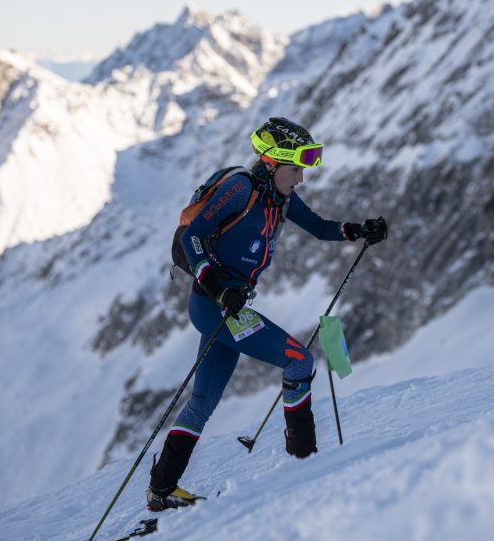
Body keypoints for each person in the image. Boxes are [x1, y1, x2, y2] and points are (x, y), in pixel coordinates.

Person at [146, 117, 388, 512]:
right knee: (299, 360)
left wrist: (360, 230)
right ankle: (305, 464)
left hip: (228, 305)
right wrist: (219, 287)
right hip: (214, 305)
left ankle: (161, 490)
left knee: (203, 403)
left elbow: (320, 227)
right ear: (274, 163)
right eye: (296, 169)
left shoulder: (280, 197)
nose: (301, 179)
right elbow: (193, 236)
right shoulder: (241, 188)